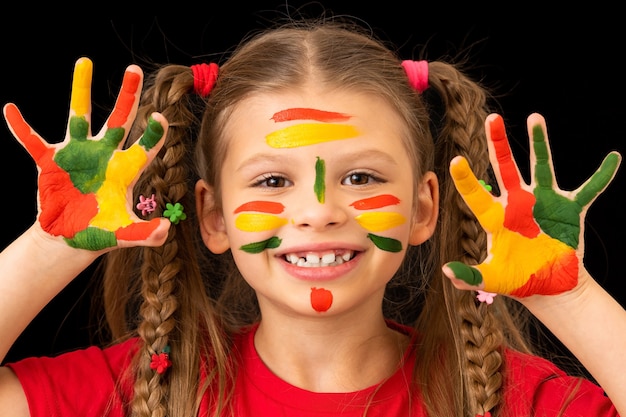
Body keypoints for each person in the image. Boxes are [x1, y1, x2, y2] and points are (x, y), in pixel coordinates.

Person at [0, 14, 624, 417]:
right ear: (213, 217)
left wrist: (566, 295)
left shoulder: (517, 400)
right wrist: (57, 244)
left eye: (361, 177)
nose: (320, 211)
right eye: (273, 180)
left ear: (424, 208)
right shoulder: (141, 390)